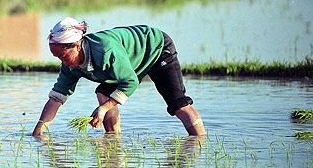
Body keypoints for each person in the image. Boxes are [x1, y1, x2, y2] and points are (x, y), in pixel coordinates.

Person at [32, 17, 206, 137]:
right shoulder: (70, 65)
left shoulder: (105, 51)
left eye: (63, 56)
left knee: (178, 104)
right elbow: (56, 98)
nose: (62, 61)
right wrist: (38, 132)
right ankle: (113, 142)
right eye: (57, 57)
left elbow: (130, 81)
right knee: (103, 93)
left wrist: (103, 108)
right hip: (131, 60)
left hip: (155, 48)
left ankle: (200, 144)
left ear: (77, 46)